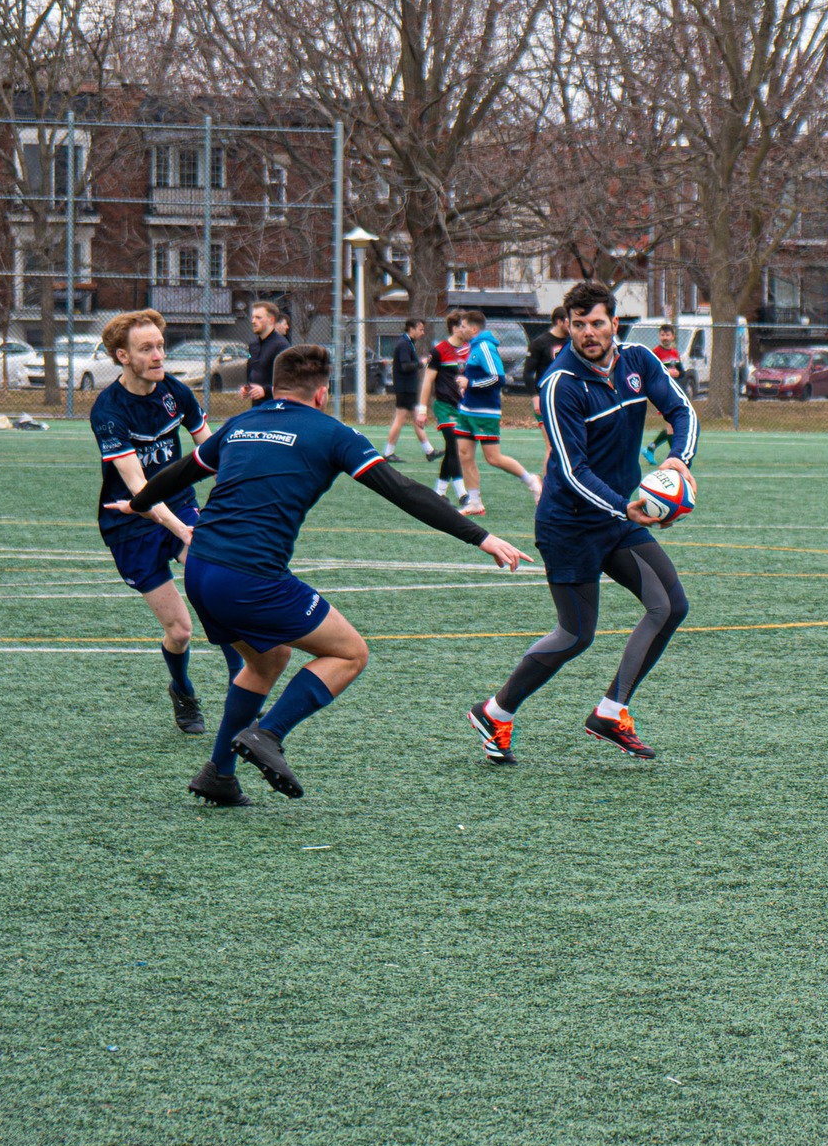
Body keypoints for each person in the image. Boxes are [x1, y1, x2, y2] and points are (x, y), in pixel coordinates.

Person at [111, 344, 524, 805]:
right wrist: (480, 537)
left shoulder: (241, 424)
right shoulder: (332, 432)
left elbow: (180, 471)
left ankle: (219, 774)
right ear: (323, 394)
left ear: (274, 388)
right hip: (250, 578)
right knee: (350, 654)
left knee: (267, 661)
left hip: (202, 569)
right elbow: (403, 490)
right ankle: (268, 734)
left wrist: (141, 503)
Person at [468, 280, 696, 764]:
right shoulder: (560, 383)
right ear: (567, 326)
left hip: (615, 516)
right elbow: (572, 471)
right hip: (570, 522)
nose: (589, 333)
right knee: (575, 635)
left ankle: (611, 711)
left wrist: (679, 460)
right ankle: (496, 711)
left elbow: (680, 409)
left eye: (597, 323)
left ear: (615, 323)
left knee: (670, 605)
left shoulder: (639, 360)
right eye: (579, 324)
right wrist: (627, 507)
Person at [88, 308, 233, 735]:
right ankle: (183, 691)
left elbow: (211, 452)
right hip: (130, 524)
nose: (158, 355)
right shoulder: (108, 411)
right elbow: (139, 489)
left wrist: (232, 496)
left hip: (181, 505)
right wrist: (184, 530)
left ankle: (243, 690)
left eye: (160, 346)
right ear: (122, 357)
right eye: (146, 348)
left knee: (220, 589)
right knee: (181, 631)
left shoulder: (176, 392)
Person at [457, 309, 542, 500]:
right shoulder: (474, 347)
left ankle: (531, 481)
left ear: (473, 328)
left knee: (493, 458)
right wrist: (467, 386)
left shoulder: (485, 346)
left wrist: (470, 383)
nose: (459, 330)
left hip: (484, 413)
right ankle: (474, 502)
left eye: (462, 327)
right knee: (464, 454)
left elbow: (498, 378)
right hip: (467, 410)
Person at [419, 311, 476, 510]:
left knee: (454, 449)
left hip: (463, 408)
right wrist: (422, 409)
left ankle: (439, 493)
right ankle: (462, 494)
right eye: (464, 325)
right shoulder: (440, 350)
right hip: (444, 406)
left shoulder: (470, 350)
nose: (467, 329)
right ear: (454, 328)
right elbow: (428, 380)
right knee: (454, 444)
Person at [383, 318, 437, 464]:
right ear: (411, 329)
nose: (422, 332)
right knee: (401, 420)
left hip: (408, 388)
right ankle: (388, 453)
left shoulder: (408, 344)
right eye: (420, 329)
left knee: (417, 419)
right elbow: (405, 366)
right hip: (405, 388)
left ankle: (429, 451)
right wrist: (421, 363)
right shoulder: (403, 344)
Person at [647, 322, 688, 464]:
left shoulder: (674, 353)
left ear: (673, 337)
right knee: (672, 425)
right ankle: (675, 458)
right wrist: (666, 372)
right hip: (661, 392)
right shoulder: (655, 352)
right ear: (659, 336)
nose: (665, 337)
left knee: (671, 425)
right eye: (662, 334)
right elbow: (651, 371)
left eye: (667, 334)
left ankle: (651, 448)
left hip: (671, 392)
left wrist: (677, 372)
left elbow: (681, 372)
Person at [240, 301, 289, 406]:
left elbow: (288, 382)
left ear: (271, 320)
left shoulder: (281, 346)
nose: (253, 321)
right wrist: (248, 387)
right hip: (257, 407)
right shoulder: (253, 345)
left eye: (258, 318)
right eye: (252, 317)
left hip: (275, 407)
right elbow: (254, 371)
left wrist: (265, 391)